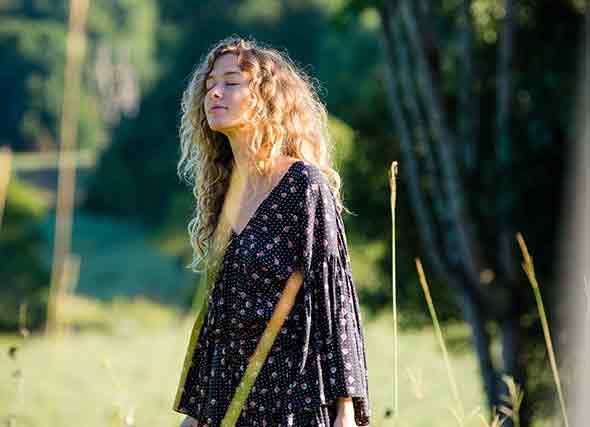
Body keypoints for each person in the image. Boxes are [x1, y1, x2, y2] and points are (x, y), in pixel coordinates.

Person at [172, 36, 371, 427]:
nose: (214, 91)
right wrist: (196, 414)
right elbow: (219, 319)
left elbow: (334, 301)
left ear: (265, 95)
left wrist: (345, 410)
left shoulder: (304, 186)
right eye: (211, 83)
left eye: (231, 82)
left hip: (294, 403)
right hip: (229, 406)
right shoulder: (224, 195)